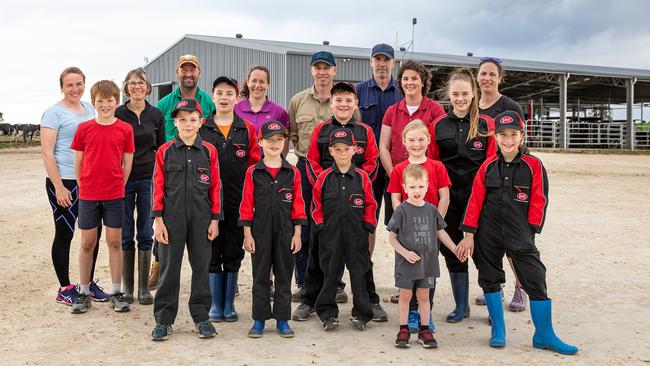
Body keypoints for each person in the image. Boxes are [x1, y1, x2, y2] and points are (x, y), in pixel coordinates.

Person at [457, 111, 578, 355]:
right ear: (495, 136)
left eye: (513, 134)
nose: (508, 140)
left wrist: (530, 231)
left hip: (519, 231)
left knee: (535, 277)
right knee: (489, 277)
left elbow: (539, 200)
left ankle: (544, 334)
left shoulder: (533, 165)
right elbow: (475, 201)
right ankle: (498, 330)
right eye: (503, 135)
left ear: (522, 135)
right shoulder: (488, 166)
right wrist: (469, 234)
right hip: (487, 232)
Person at [293, 81, 381, 322]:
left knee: (360, 254)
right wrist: (325, 181)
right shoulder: (321, 130)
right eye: (338, 100)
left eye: (348, 100)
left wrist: (358, 184)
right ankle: (310, 300)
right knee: (319, 252)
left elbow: (372, 162)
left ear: (355, 103)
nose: (343, 104)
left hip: (355, 198)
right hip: (326, 196)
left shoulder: (365, 131)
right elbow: (311, 160)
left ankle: (370, 300)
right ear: (331, 103)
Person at [288, 51, 358, 304]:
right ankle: (304, 283)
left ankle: (335, 284)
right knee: (305, 226)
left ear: (334, 70)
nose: (322, 72)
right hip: (307, 170)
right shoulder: (298, 101)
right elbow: (293, 135)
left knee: (334, 227)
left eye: (326, 67)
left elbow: (354, 136)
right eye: (317, 67)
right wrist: (306, 158)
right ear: (311, 71)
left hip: (338, 171)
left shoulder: (344, 101)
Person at [428, 68, 497, 323]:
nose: (460, 98)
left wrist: (485, 199)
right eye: (455, 94)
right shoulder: (438, 126)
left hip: (478, 200)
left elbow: (491, 165)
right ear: (449, 95)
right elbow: (433, 166)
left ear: (474, 94)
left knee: (483, 254)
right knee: (454, 252)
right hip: (449, 199)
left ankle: (493, 307)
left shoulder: (486, 125)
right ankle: (461, 306)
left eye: (465, 94)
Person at [150, 99, 222, 341]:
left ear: (201, 122)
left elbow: (216, 187)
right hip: (171, 219)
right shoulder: (165, 151)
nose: (187, 124)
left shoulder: (209, 151)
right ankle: (163, 320)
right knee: (169, 269)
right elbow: (157, 187)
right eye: (182, 119)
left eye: (192, 119)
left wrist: (215, 219)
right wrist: (158, 220)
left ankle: (202, 317)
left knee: (201, 267)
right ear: (175, 122)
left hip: (202, 219)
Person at [41, 67, 108, 306]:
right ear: (62, 87)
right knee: (65, 233)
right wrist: (59, 186)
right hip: (65, 181)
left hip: (89, 181)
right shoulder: (53, 113)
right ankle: (65, 288)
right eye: (69, 85)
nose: (75, 89)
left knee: (93, 233)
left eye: (79, 84)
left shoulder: (90, 109)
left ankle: (87, 285)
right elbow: (48, 153)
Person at [149, 54, 216, 291]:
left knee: (201, 233)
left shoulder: (208, 103)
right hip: (170, 166)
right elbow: (155, 136)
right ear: (177, 73)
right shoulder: (164, 104)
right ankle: (158, 262)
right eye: (184, 70)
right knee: (166, 220)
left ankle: (211, 278)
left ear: (199, 73)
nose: (188, 74)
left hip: (198, 164)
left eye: (193, 70)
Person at [70, 80, 135, 314]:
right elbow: (78, 161)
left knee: (115, 241)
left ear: (117, 102)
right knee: (87, 242)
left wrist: (120, 183)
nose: (105, 104)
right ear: (94, 102)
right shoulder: (84, 129)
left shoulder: (125, 129)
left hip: (114, 194)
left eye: (110, 100)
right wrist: (83, 183)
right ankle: (84, 292)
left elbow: (127, 162)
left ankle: (116, 292)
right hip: (89, 194)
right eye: (100, 101)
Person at [199, 76, 260, 323]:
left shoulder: (246, 129)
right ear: (212, 96)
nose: (224, 98)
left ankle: (228, 304)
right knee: (212, 251)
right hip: (207, 202)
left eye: (229, 93)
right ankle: (215, 304)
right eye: (219, 93)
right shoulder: (202, 127)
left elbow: (255, 166)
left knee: (233, 251)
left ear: (238, 98)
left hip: (237, 201)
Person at [239, 120, 307, 338]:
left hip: (286, 232)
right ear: (260, 142)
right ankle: (259, 320)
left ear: (285, 142)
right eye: (270, 140)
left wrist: (297, 234)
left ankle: (282, 320)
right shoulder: (253, 172)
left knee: (284, 275)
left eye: (279, 140)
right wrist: (247, 234)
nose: (275, 144)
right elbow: (246, 205)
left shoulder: (293, 172)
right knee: (260, 275)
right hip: (259, 231)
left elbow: (298, 205)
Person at [310, 128, 377, 331]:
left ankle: (362, 313)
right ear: (330, 151)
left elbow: (371, 204)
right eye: (337, 149)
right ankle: (327, 313)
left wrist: (368, 225)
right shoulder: (324, 178)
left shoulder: (362, 177)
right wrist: (321, 226)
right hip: (331, 235)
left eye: (346, 149)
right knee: (330, 274)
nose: (342, 153)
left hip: (357, 235)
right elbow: (316, 205)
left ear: (354, 150)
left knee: (359, 273)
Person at [387, 120, 451, 333]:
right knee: (409, 269)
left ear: (429, 141)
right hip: (407, 232)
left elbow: (444, 197)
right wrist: (404, 221)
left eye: (421, 139)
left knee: (427, 269)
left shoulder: (437, 167)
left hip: (429, 229)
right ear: (403, 141)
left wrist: (435, 223)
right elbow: (395, 199)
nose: (416, 144)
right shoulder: (398, 170)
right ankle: (411, 312)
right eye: (412, 139)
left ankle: (426, 313)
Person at [475, 56, 527, 311]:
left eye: (491, 74)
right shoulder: (474, 106)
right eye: (483, 73)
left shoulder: (509, 105)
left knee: (513, 240)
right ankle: (495, 287)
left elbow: (519, 143)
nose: (486, 78)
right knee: (489, 239)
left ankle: (521, 287)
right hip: (484, 178)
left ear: (499, 78)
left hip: (508, 176)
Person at [388, 164, 460, 349]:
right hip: (406, 263)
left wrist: (454, 248)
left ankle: (424, 329)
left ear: (427, 186)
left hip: (427, 263)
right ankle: (404, 329)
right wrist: (405, 253)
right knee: (405, 295)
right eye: (412, 187)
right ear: (404, 188)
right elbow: (392, 238)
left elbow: (441, 233)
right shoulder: (401, 210)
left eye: (420, 186)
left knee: (424, 296)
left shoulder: (431, 210)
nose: (417, 191)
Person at [115, 68, 165, 305]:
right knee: (125, 233)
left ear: (148, 87)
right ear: (126, 87)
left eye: (141, 83)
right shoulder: (118, 113)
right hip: (122, 179)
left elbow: (163, 148)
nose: (137, 86)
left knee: (145, 231)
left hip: (148, 178)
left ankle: (144, 288)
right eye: (132, 83)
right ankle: (128, 288)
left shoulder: (156, 114)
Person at [379, 60, 445, 223]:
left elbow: (441, 147)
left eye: (414, 78)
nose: (409, 82)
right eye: (405, 78)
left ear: (423, 82)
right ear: (400, 82)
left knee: (425, 225)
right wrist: (396, 176)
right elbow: (383, 147)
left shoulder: (435, 110)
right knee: (399, 226)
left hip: (425, 183)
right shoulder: (391, 111)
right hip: (397, 180)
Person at [234, 65, 290, 132]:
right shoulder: (234, 110)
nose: (257, 85)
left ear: (268, 85)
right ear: (247, 82)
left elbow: (284, 141)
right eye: (254, 81)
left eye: (261, 82)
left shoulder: (280, 113)